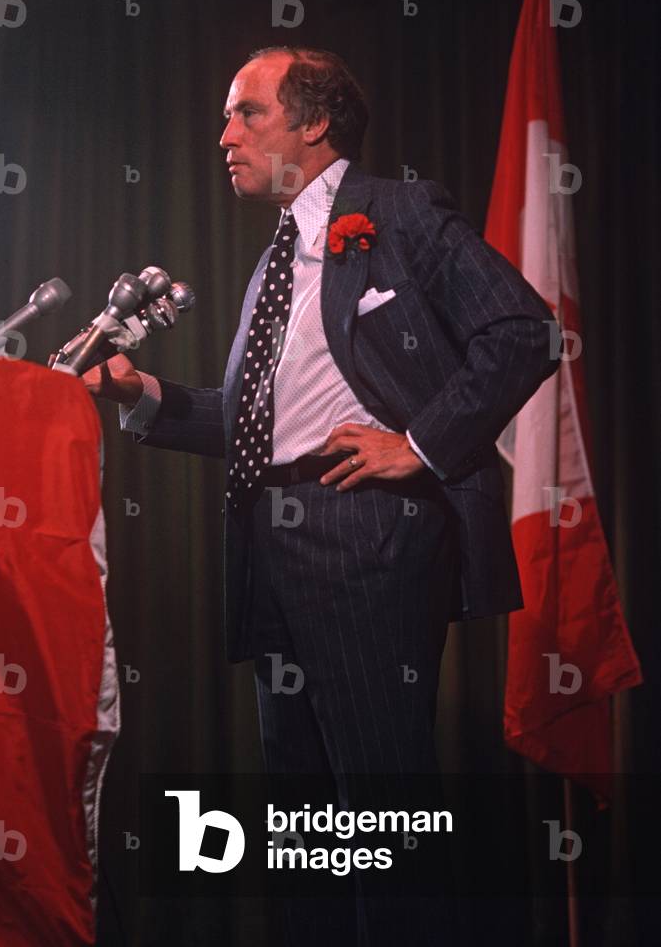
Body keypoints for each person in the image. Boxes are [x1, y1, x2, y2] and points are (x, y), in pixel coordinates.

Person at [85, 46, 559, 944]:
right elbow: (256, 421)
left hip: (364, 538)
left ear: (312, 123)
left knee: (378, 814)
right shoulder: (272, 267)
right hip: (271, 546)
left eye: (245, 114)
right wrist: (140, 394)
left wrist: (416, 445)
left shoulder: (398, 211)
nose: (222, 136)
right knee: (309, 827)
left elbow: (522, 331)